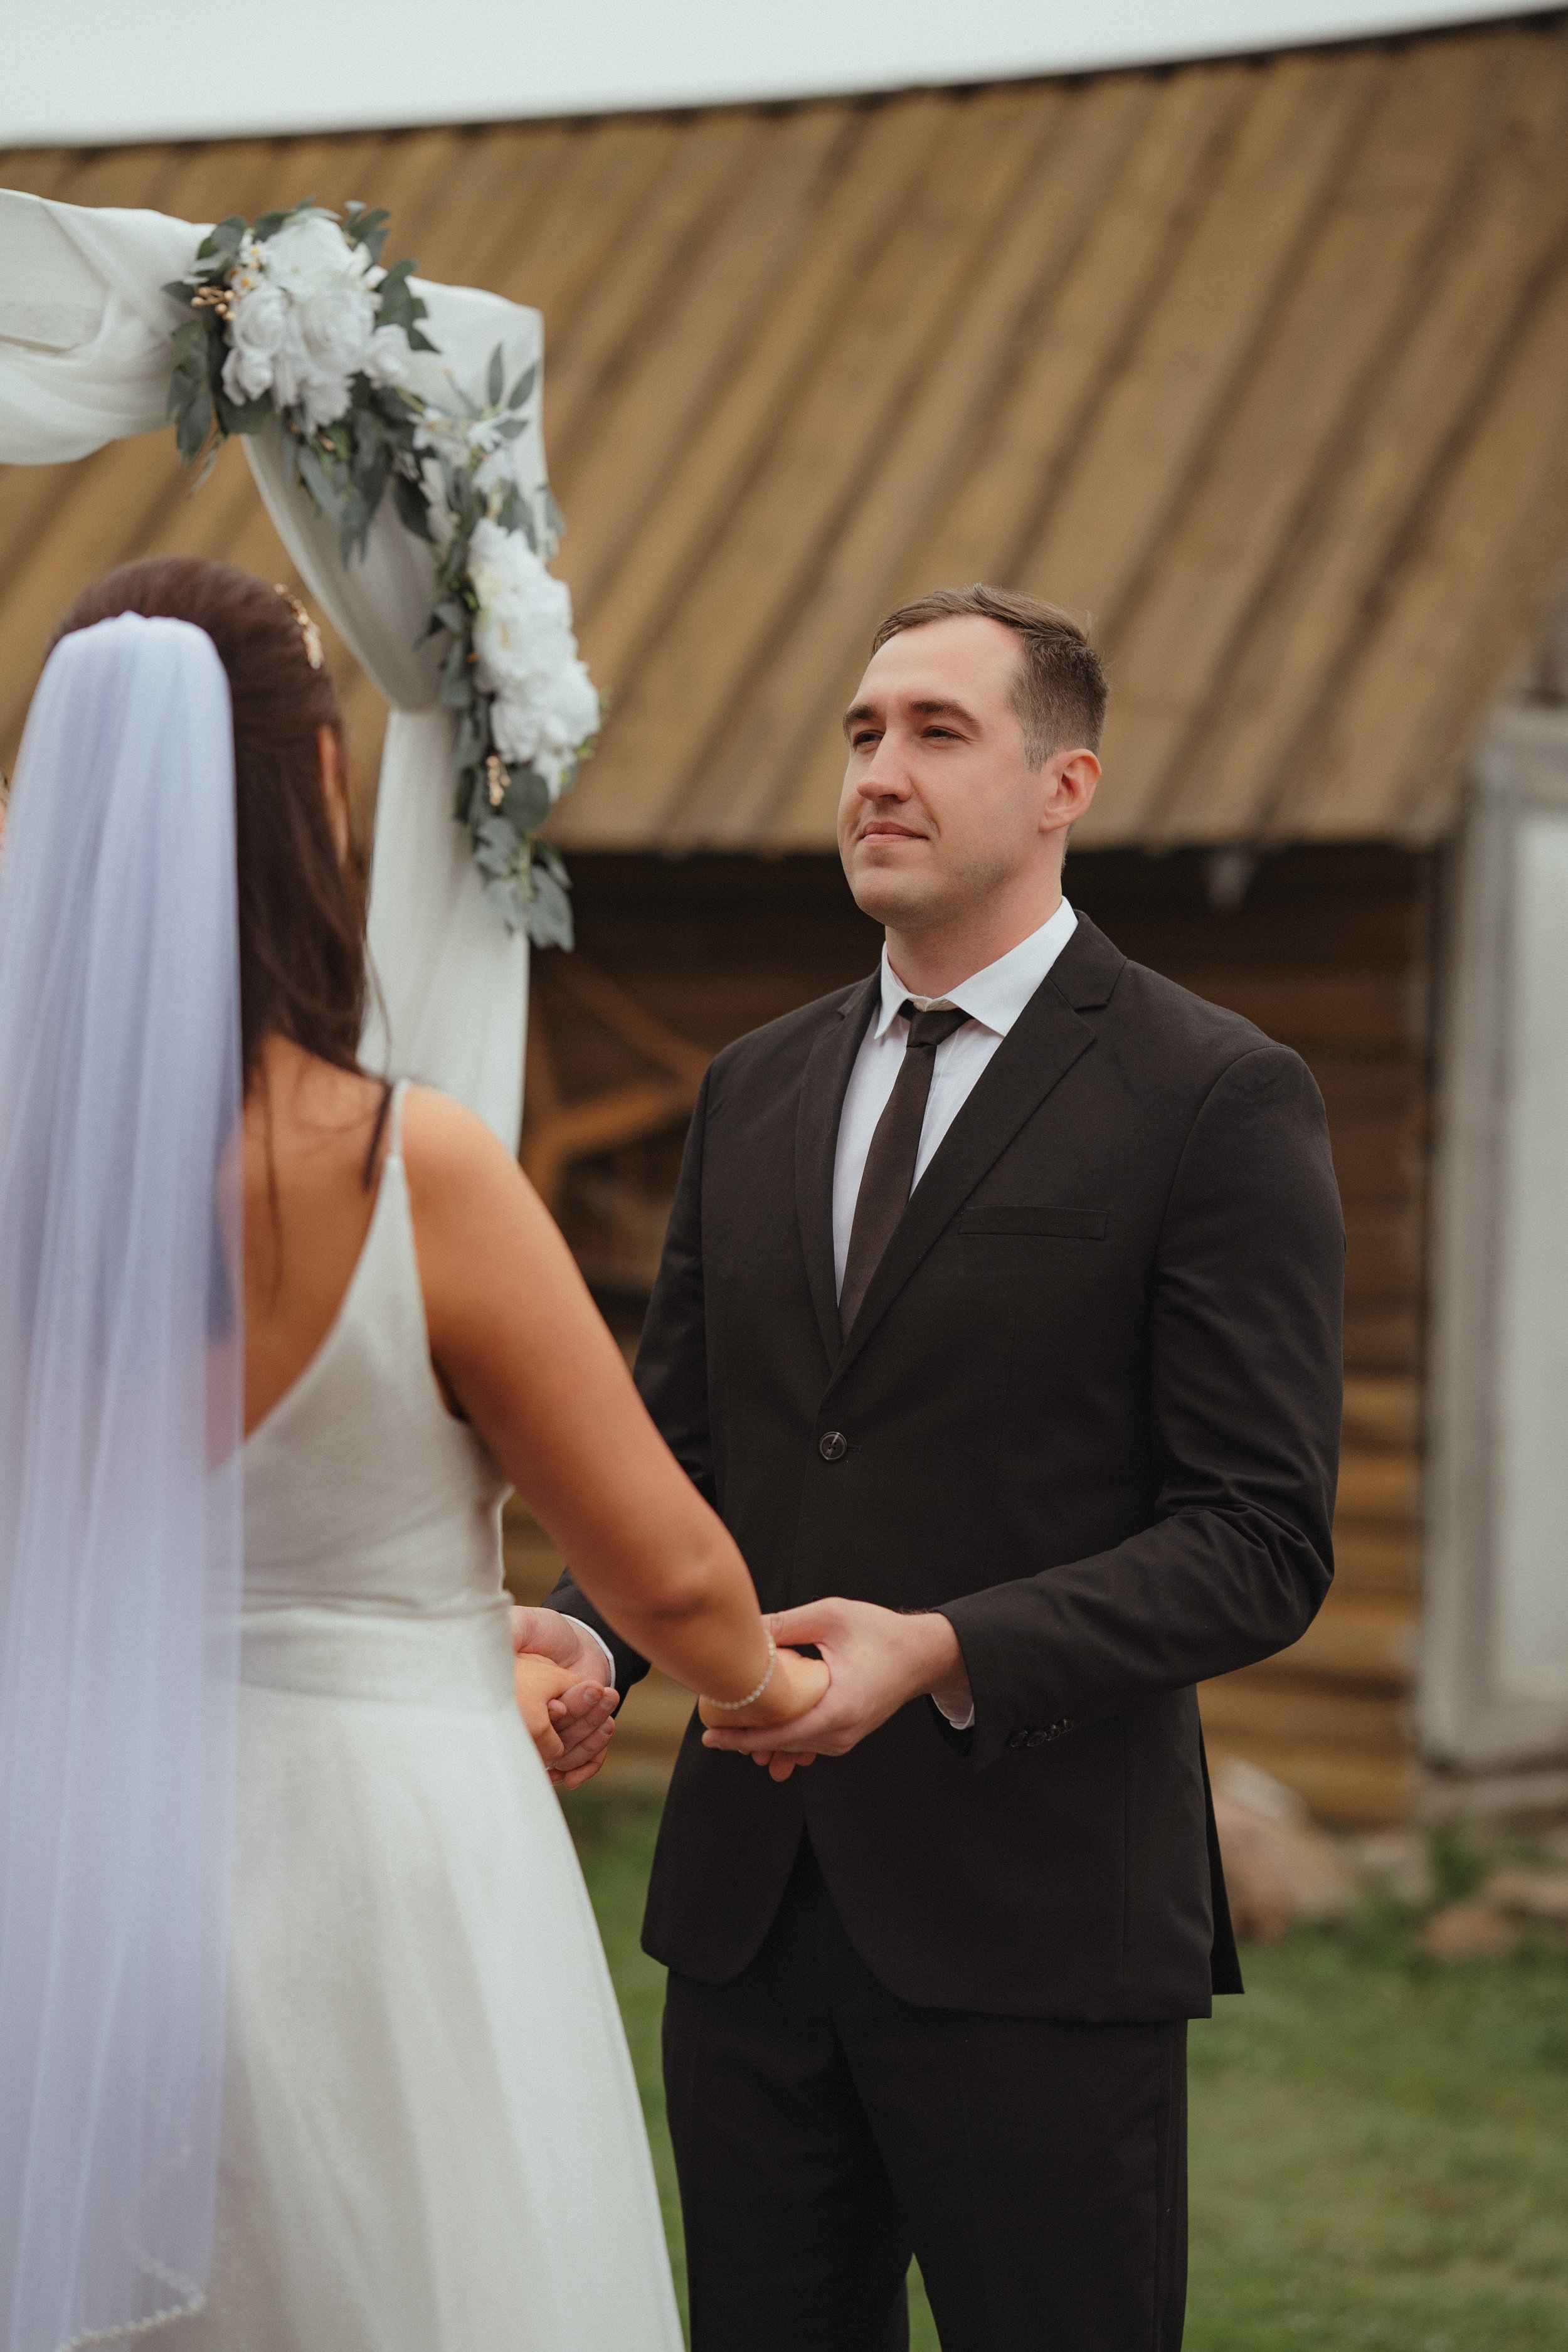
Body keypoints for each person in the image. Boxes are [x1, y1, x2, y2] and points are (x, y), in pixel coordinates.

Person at [0, 558, 827, 2352]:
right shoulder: (405, 1168)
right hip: (376, 1882)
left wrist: (447, 1646)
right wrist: (757, 1690)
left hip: (70, 1871)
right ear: (311, 791)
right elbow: (674, 1571)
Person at [527, 585, 1345, 2351]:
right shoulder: (750, 1091)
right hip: (746, 1922)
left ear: (1067, 783)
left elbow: (1257, 1537)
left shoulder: (1217, 1094)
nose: (877, 773)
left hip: (1040, 1930)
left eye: (935, 733)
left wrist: (946, 1651)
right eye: (860, 733)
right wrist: (589, 1632)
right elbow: (682, 1446)